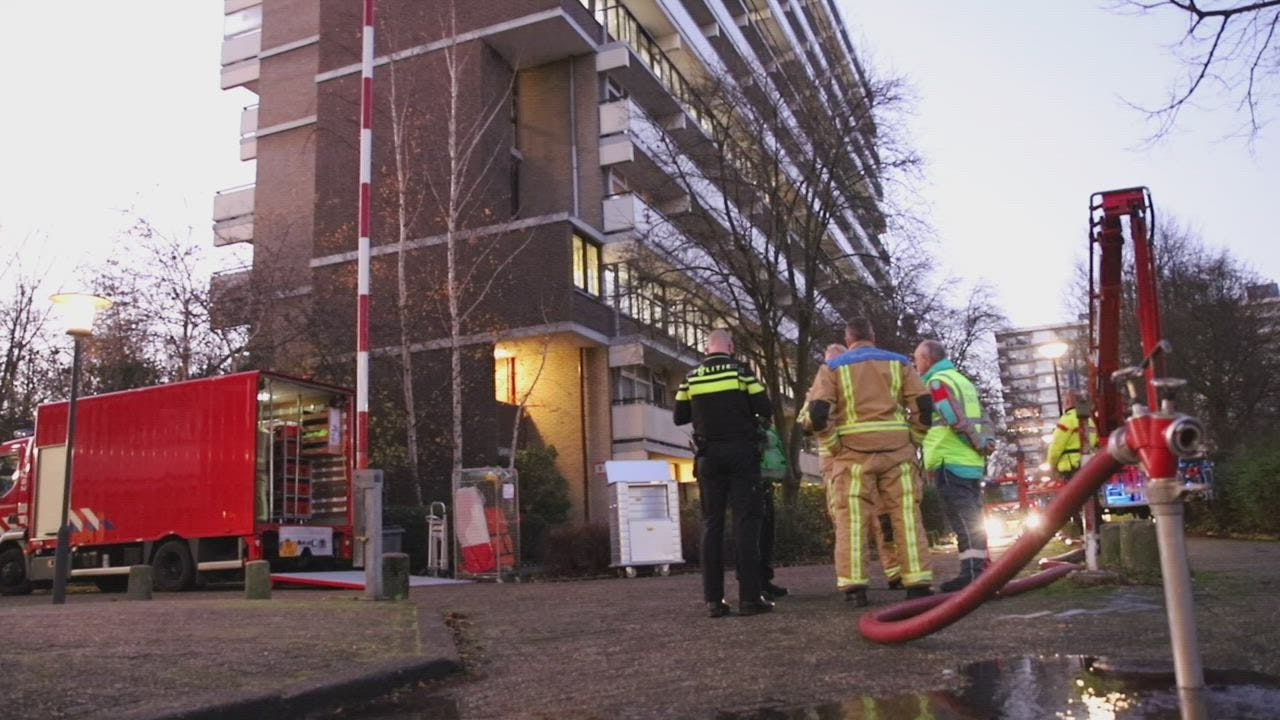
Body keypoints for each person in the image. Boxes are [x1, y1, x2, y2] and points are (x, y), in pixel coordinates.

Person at [801, 319, 935, 607]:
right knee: (906, 516)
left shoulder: (833, 368)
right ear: (872, 335)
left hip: (852, 455)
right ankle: (918, 582)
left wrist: (835, 444)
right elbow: (924, 406)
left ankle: (855, 588)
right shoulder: (900, 364)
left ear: (848, 339)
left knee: (851, 521)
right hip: (897, 452)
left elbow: (816, 413)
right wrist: (913, 439)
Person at [674, 328, 775, 617]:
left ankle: (714, 601)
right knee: (746, 524)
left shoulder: (691, 377)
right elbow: (764, 407)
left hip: (709, 457)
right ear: (730, 347)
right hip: (742, 455)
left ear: (707, 349)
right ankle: (750, 598)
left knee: (712, 525)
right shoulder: (741, 374)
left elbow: (680, 416)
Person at [801, 343, 902, 591]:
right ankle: (854, 579)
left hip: (856, 456)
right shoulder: (817, 389)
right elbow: (807, 422)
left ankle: (893, 571)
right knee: (848, 522)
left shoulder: (848, 381)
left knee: (881, 517)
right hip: (837, 462)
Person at [913, 339, 996, 592]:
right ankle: (981, 571)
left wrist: (976, 441)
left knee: (963, 520)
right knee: (973, 518)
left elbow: (952, 418)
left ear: (927, 360)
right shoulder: (963, 381)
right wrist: (987, 442)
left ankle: (971, 575)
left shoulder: (935, 382)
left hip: (950, 460)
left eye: (917, 360)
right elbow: (984, 416)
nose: (916, 365)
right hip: (971, 463)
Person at [757, 423, 789, 600]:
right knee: (758, 534)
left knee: (767, 533)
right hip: (752, 478)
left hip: (765, 480)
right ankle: (757, 582)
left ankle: (764, 580)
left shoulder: (764, 421)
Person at [1047, 390, 1098, 478]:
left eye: (1064, 401)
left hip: (1071, 466)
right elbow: (1096, 442)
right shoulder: (1090, 421)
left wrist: (1051, 464)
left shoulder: (1067, 419)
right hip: (1089, 465)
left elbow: (1056, 446)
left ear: (1068, 402)